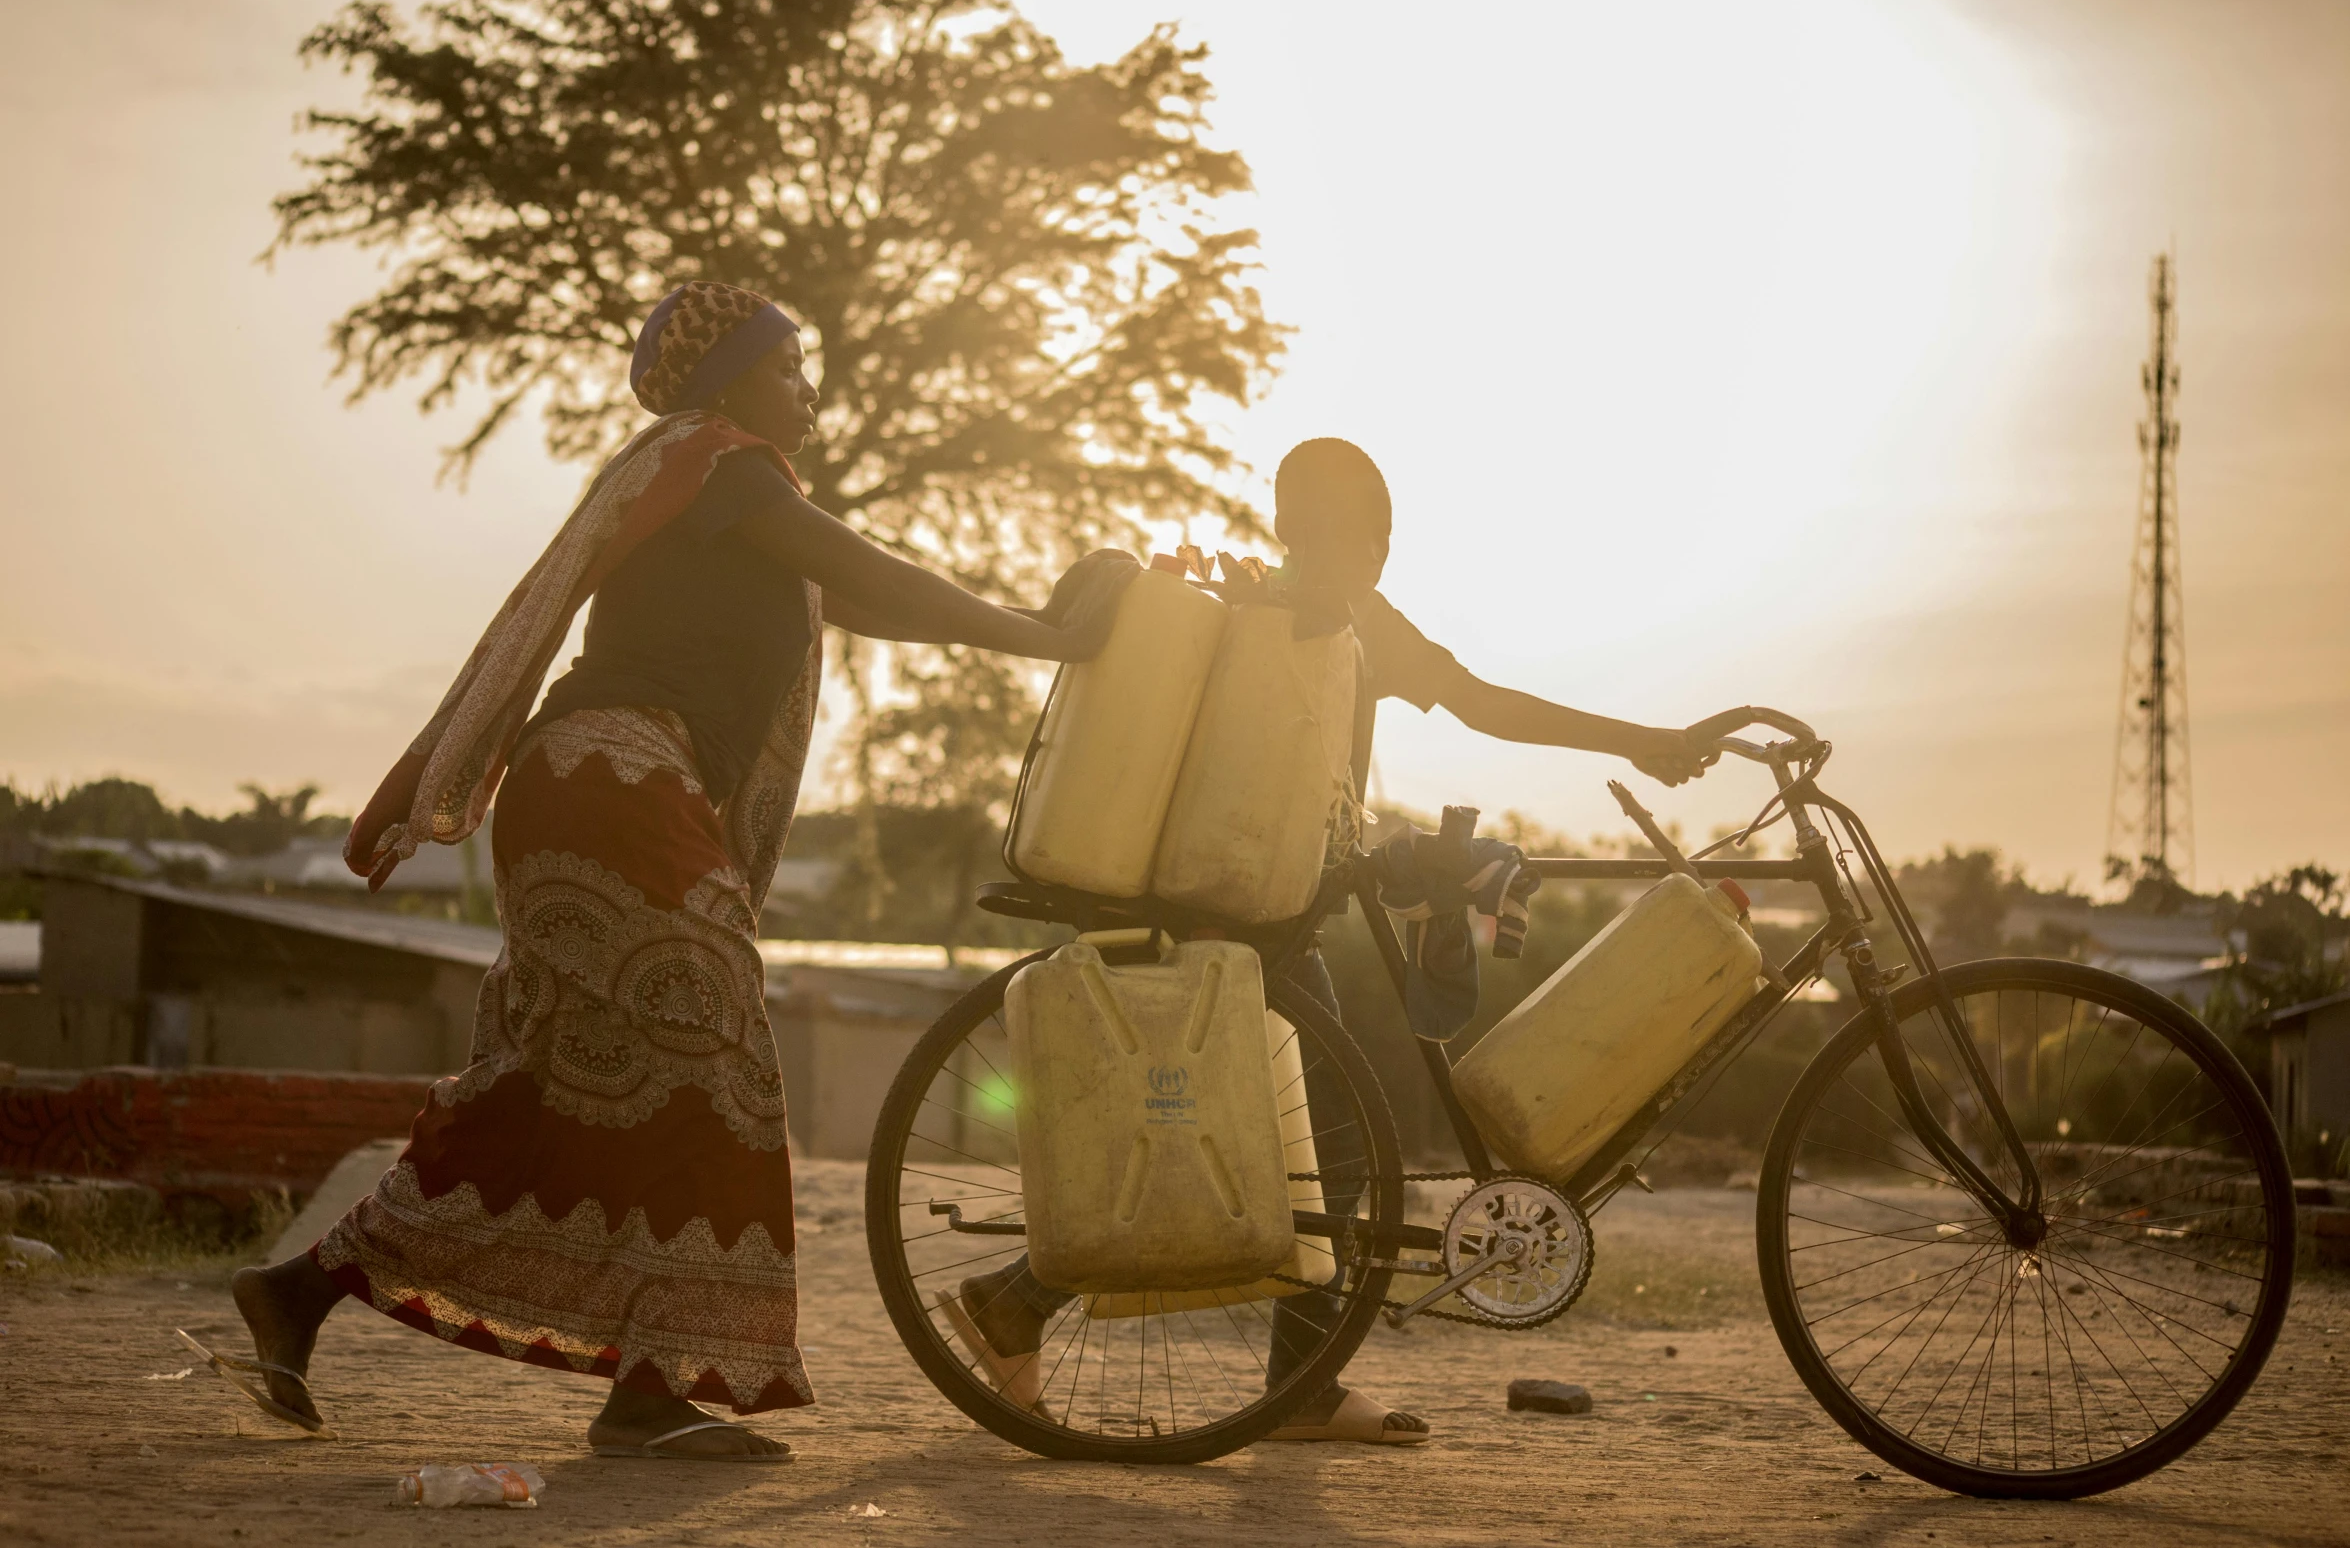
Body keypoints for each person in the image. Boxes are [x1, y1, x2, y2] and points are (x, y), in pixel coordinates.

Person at [217, 281, 1133, 1461]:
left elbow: (866, 598)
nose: (808, 386)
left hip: (601, 787)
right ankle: (653, 1385)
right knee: (721, 1052)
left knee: (560, 1080)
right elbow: (883, 574)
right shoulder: (720, 464)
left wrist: (1028, 621)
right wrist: (1052, 635)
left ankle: (301, 1290)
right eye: (790, 365)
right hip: (611, 779)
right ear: (731, 382)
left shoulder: (719, 490)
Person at [946, 436, 1710, 1445]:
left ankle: (1038, 1306)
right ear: (1291, 530)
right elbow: (1479, 705)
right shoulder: (1274, 614)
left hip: (1269, 920)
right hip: (1247, 929)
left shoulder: (1310, 613)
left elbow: (1477, 704)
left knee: (1285, 1153)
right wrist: (1640, 743)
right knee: (1309, 1153)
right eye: (1354, 532)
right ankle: (1193, 1350)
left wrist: (1635, 742)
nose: (1368, 554)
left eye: (1374, 535)